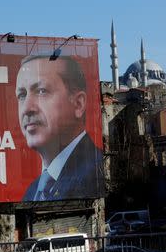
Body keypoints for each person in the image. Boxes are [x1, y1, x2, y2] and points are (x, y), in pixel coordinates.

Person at [15, 54, 105, 201]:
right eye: (22, 95)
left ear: (78, 104)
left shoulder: (96, 173)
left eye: (41, 91)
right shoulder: (31, 192)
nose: (27, 108)